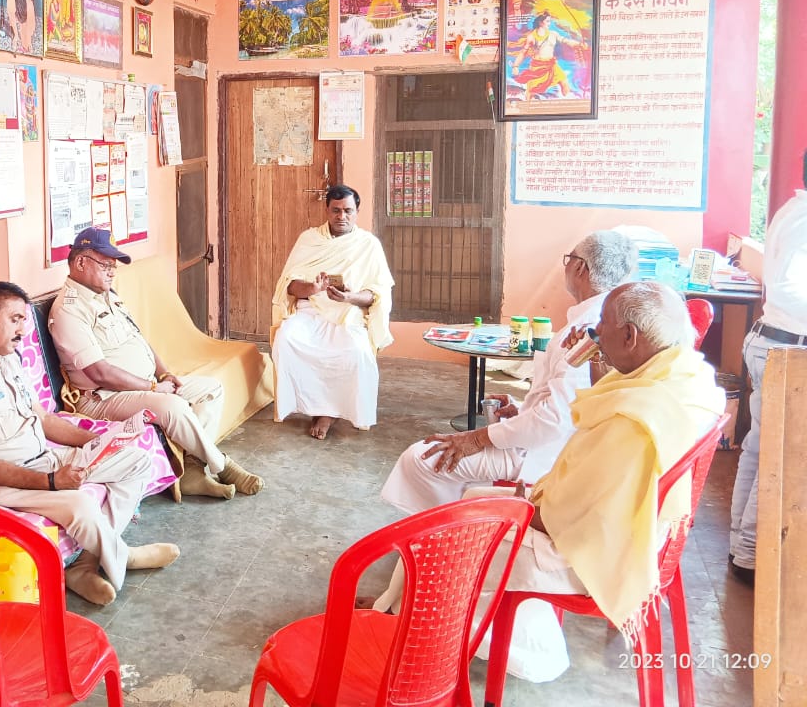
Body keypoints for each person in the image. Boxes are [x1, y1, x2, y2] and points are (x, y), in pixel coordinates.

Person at [375, 282, 725, 658]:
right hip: (620, 531)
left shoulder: (634, 422)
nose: (594, 332)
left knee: (444, 537)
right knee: (468, 502)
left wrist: (524, 506)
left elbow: (571, 515)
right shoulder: (682, 377)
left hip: (587, 553)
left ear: (629, 335)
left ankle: (426, 643)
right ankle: (396, 609)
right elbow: (601, 411)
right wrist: (593, 357)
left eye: (602, 325)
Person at [0, 281, 180, 607]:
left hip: (43, 458)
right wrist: (51, 482)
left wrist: (100, 441)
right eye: (15, 319)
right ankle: (122, 557)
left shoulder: (5, 357)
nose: (22, 330)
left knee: (135, 460)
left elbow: (44, 420)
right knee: (80, 505)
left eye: (24, 321)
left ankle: (88, 562)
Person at [382, 230, 637, 512]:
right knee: (446, 458)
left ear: (579, 267)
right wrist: (522, 408)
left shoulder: (589, 329)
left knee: (420, 459)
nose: (565, 266)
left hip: (546, 452)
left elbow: (555, 419)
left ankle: (450, 535)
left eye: (569, 259)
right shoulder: (600, 318)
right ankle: (461, 524)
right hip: (549, 437)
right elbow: (569, 402)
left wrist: (476, 438)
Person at [48, 229, 264, 500]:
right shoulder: (69, 309)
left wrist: (164, 373)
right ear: (81, 263)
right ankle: (223, 466)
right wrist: (152, 387)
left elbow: (139, 339)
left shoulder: (108, 295)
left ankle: (192, 473)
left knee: (211, 389)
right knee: (172, 405)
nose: (112, 272)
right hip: (103, 398)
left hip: (141, 387)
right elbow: (98, 371)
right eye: (106, 265)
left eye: (114, 266)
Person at [730, 149, 807, 585]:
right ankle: (750, 558)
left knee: (758, 453)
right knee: (774, 458)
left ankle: (741, 549)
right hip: (787, 350)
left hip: (773, 342)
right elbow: (787, 287)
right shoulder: (804, 218)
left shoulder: (795, 209)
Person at [271, 185, 394, 440]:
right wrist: (313, 287)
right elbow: (290, 286)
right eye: (336, 211)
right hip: (311, 310)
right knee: (286, 340)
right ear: (327, 211)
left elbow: (376, 294)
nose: (342, 217)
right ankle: (314, 407)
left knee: (356, 352)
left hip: (349, 314)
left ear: (357, 212)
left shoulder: (368, 245)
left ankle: (329, 412)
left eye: (348, 211)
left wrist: (350, 297)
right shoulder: (309, 239)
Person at [507, 10, 589, 100]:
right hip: (538, 67)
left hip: (551, 65)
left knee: (565, 84)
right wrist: (515, 66)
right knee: (532, 90)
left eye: (550, 21)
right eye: (547, 21)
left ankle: (569, 107)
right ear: (540, 22)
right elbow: (523, 52)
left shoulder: (553, 34)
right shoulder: (532, 37)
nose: (549, 23)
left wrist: (578, 44)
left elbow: (566, 41)